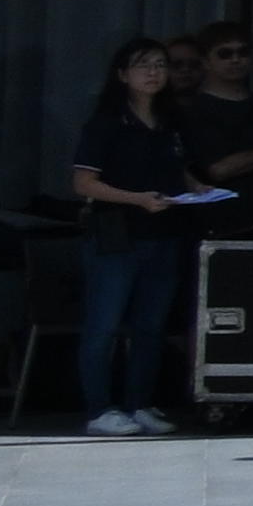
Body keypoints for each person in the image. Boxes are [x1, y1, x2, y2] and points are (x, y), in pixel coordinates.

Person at [61, 30, 208, 433]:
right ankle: (99, 409)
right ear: (123, 74)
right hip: (117, 234)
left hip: (164, 233)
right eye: (144, 65)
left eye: (160, 65)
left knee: (151, 325)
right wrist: (137, 198)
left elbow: (175, 167)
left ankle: (140, 402)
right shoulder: (107, 123)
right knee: (104, 325)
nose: (154, 73)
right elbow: (84, 183)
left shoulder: (170, 121)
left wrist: (195, 187)